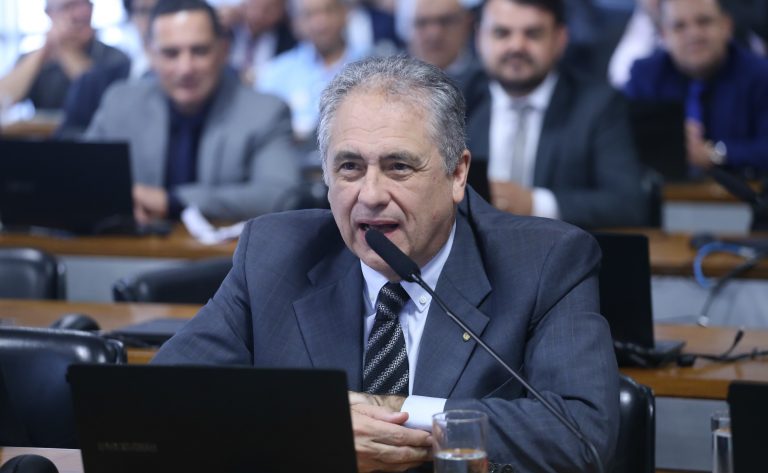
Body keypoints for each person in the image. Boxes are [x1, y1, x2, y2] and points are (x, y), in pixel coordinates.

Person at [152, 55, 619, 472]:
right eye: (350, 167)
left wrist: (400, 416)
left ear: (457, 174)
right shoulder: (275, 254)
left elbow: (581, 435)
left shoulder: (543, 261)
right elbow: (158, 398)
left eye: (398, 167)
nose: (371, 195)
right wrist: (313, 426)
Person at [85, 0, 299, 223]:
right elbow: (82, 178)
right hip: (128, 244)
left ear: (223, 50)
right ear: (150, 53)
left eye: (199, 51)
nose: (185, 68)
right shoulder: (119, 103)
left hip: (227, 246)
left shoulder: (265, 112)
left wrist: (173, 201)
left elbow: (281, 194)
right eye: (171, 53)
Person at [467, 0, 649, 229]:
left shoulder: (598, 105)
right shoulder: (456, 100)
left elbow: (627, 204)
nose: (516, 46)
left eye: (533, 34)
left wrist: (534, 203)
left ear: (560, 39)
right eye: (502, 33)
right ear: (479, 37)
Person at [624, 0, 768, 171]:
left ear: (726, 25)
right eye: (679, 26)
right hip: (667, 186)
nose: (693, 34)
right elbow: (621, 143)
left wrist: (716, 154)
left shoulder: (761, 75)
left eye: (704, 21)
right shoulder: (644, 76)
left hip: (741, 185)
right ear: (663, 34)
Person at [256, 0, 366, 142]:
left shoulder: (370, 67)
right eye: (309, 15)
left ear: (345, 13)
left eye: (329, 11)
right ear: (296, 23)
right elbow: (262, 128)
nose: (321, 23)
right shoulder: (276, 73)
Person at [0, 0, 128, 112]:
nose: (81, 14)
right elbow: (3, 98)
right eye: (68, 6)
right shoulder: (33, 59)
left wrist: (63, 48)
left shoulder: (116, 58)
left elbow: (100, 97)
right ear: (49, 14)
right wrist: (44, 50)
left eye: (85, 4)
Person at [57, 0, 158, 137]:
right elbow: (68, 139)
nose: (156, 20)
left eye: (164, 9)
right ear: (131, 17)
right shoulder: (95, 81)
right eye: (144, 11)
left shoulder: (115, 56)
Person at [402, 0, 479, 88]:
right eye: (422, 23)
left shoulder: (486, 79)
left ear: (467, 24)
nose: (434, 34)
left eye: (445, 21)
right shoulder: (395, 80)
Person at [226, 0, 297, 85]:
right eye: (255, 5)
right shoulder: (227, 28)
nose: (258, 14)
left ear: (282, 11)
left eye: (269, 9)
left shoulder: (289, 40)